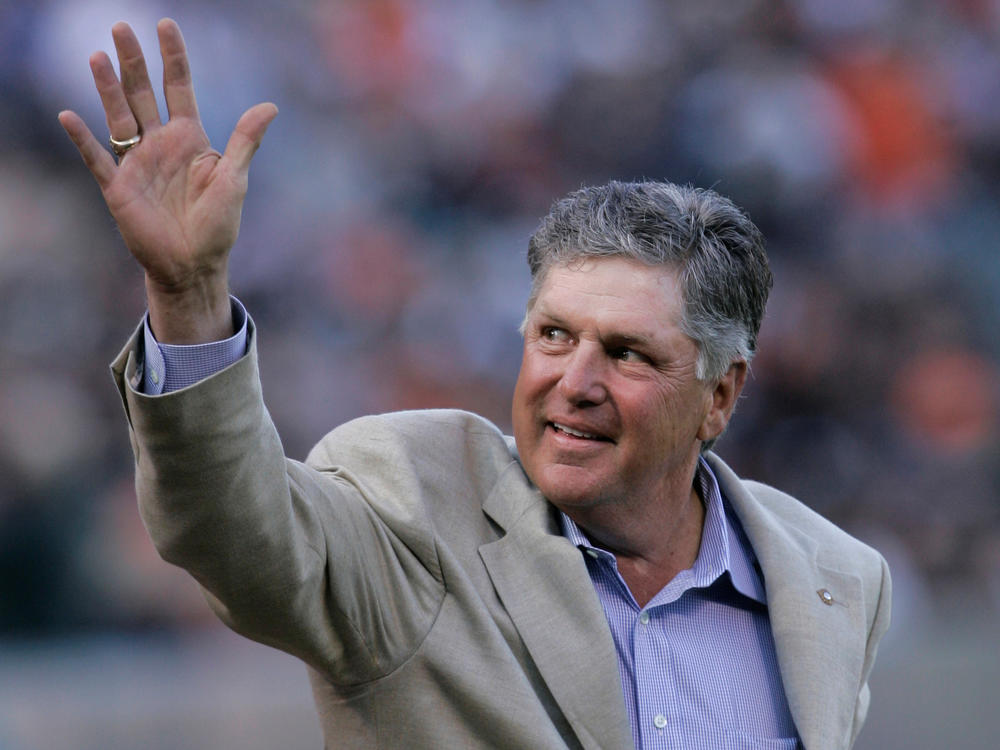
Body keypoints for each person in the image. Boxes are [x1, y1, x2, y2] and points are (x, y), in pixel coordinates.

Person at [59, 19, 891, 750]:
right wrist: (188, 294)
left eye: (629, 353)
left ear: (721, 394)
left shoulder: (833, 580)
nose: (576, 381)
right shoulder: (416, 500)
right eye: (554, 336)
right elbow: (229, 534)